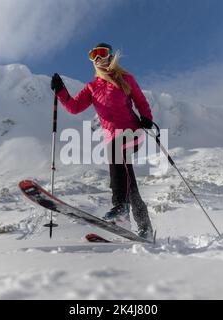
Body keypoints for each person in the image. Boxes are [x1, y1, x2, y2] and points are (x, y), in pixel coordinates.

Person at [50, 43, 154, 240]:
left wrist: (147, 117)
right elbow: (74, 107)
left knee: (116, 153)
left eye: (102, 53)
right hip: (113, 138)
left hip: (133, 132)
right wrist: (61, 91)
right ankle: (144, 227)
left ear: (110, 55)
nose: (98, 58)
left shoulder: (124, 79)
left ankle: (120, 208)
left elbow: (140, 101)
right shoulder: (92, 87)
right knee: (128, 183)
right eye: (93, 55)